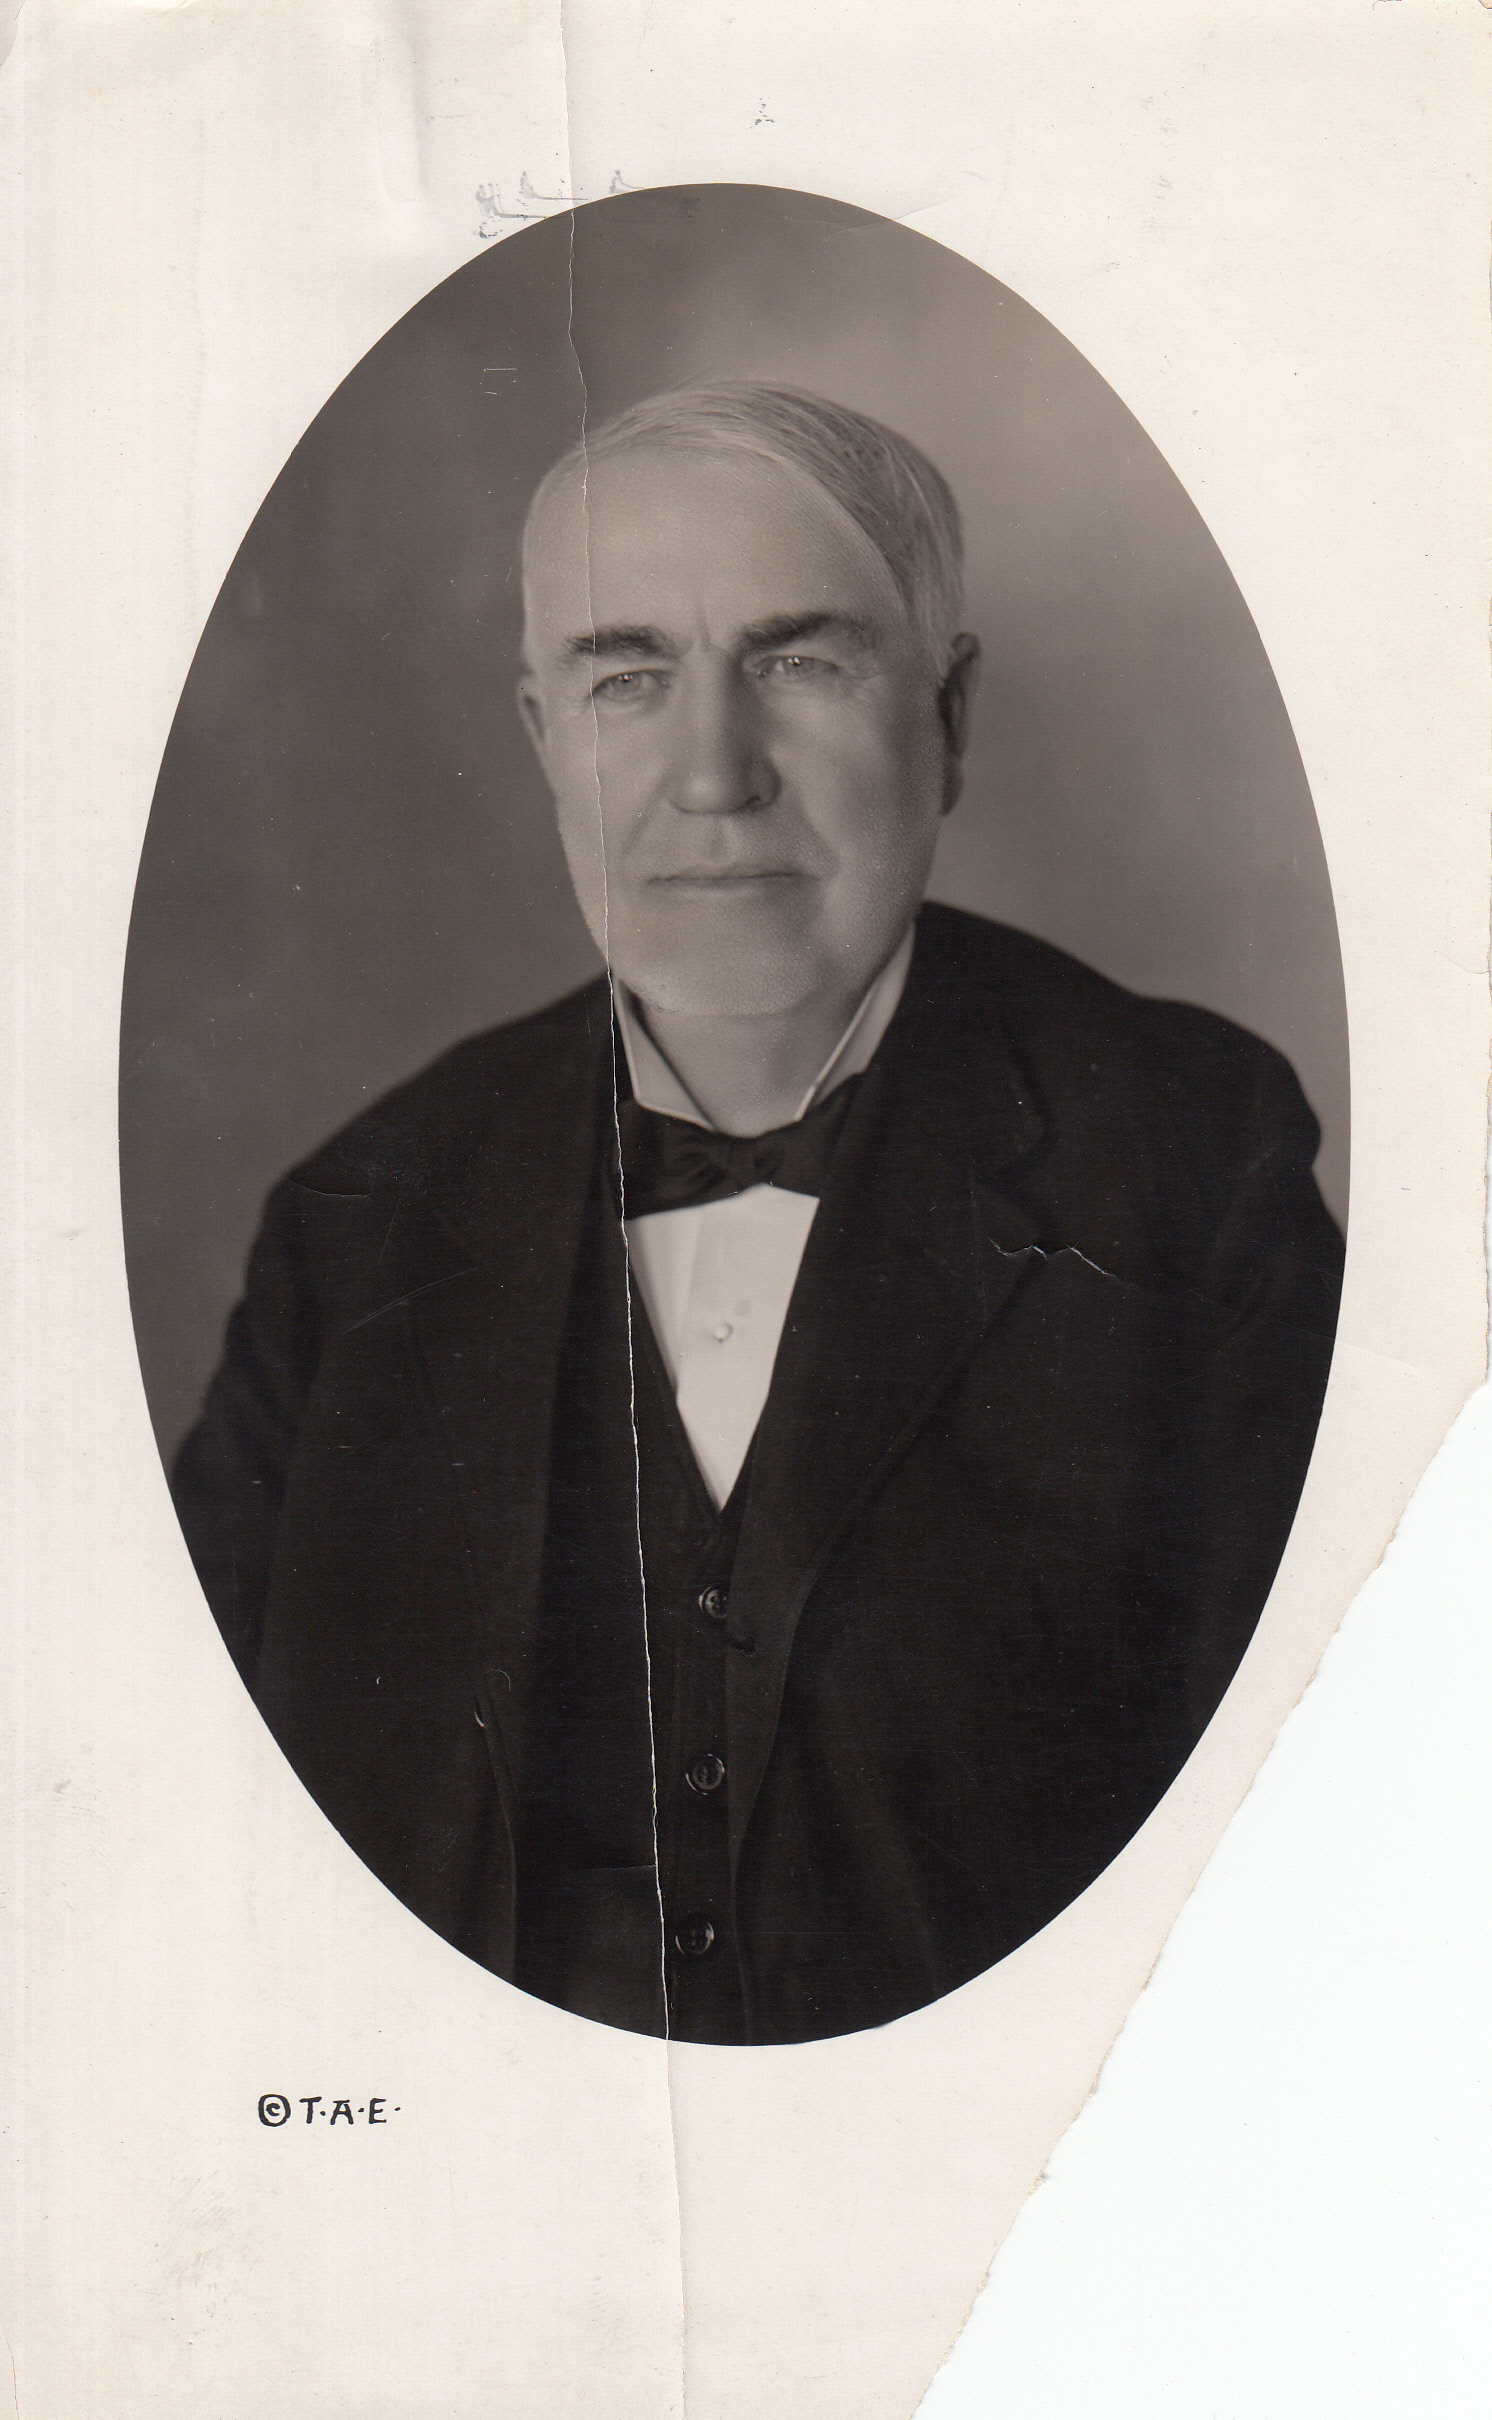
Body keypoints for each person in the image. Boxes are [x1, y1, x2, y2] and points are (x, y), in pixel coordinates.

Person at [172, 383, 1344, 2046]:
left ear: (949, 715)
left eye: (799, 663)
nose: (713, 775)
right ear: (542, 736)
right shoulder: (356, 1220)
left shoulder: (1189, 1160)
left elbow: (1325, 1844)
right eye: (626, 678)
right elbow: (180, 1833)